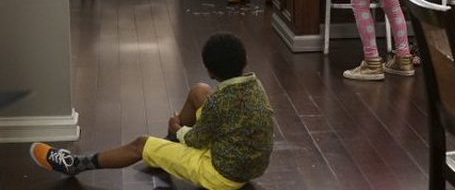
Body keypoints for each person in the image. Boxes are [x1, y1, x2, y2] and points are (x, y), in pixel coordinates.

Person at [30, 33, 274, 190]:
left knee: (141, 144)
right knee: (199, 91)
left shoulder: (218, 103)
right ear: (244, 60)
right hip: (251, 165)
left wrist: (177, 129)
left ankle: (75, 164)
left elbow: (196, 141)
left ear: (210, 71)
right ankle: (165, 149)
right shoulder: (256, 86)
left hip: (222, 176)